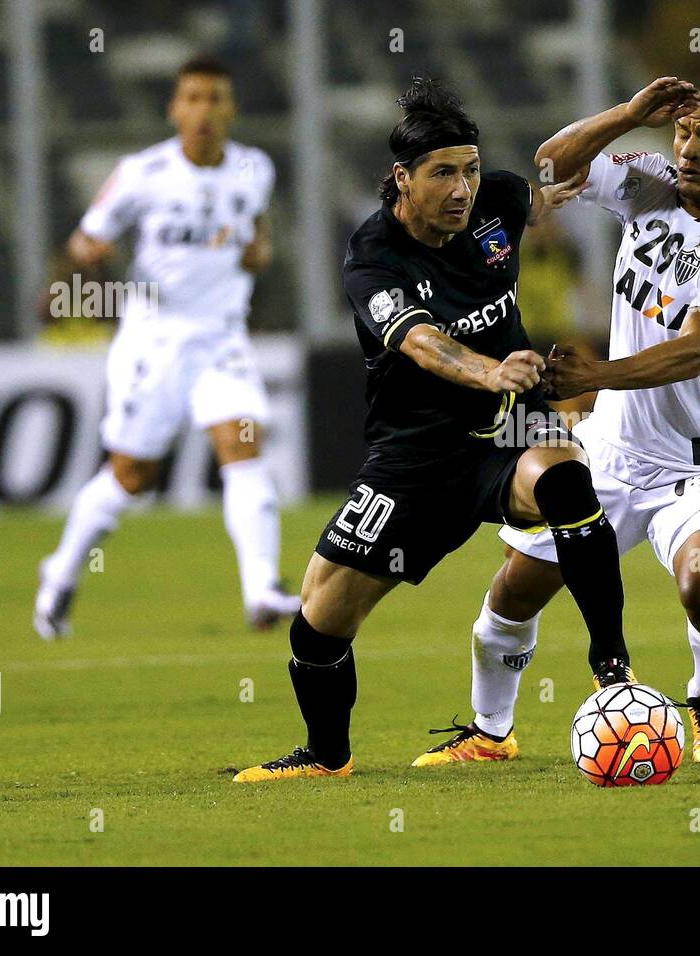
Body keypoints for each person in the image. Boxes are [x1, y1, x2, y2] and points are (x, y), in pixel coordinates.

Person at [233, 77, 630, 783]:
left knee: (566, 480)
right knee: (318, 621)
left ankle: (613, 672)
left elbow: (555, 176)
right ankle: (328, 756)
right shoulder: (374, 256)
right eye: (443, 172)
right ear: (402, 179)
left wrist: (631, 114)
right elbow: (420, 343)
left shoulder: (501, 202)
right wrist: (490, 372)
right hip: (415, 458)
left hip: (503, 435)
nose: (462, 188)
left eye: (470, 169)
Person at [413, 76, 700, 767]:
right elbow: (552, 166)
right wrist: (628, 116)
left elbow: (697, 348)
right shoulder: (649, 182)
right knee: (512, 594)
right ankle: (492, 732)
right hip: (611, 452)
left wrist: (594, 377)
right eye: (682, 132)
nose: (690, 148)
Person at [33, 54, 299, 638]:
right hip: (155, 340)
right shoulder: (141, 173)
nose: (204, 109)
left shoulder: (255, 169)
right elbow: (85, 243)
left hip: (222, 338)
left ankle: (261, 589)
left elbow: (257, 240)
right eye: (194, 98)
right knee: (131, 475)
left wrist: (259, 253)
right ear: (175, 108)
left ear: (231, 108)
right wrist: (78, 273)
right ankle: (60, 571)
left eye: (216, 98)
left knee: (241, 445)